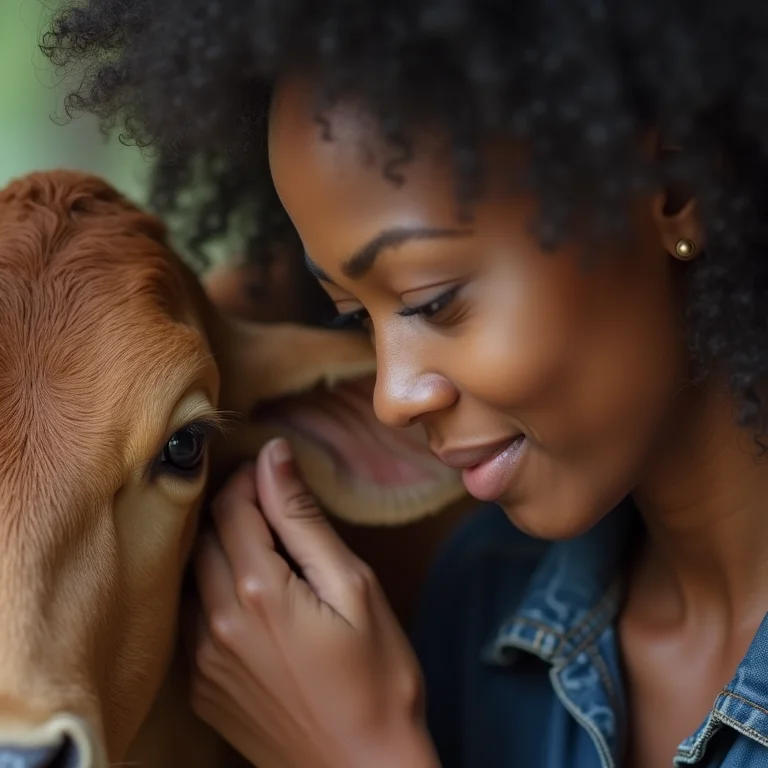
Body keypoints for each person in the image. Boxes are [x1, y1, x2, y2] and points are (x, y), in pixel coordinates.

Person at [40, 2, 768, 766]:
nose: (391, 396)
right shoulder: (479, 603)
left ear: (680, 188)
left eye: (432, 300)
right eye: (357, 316)